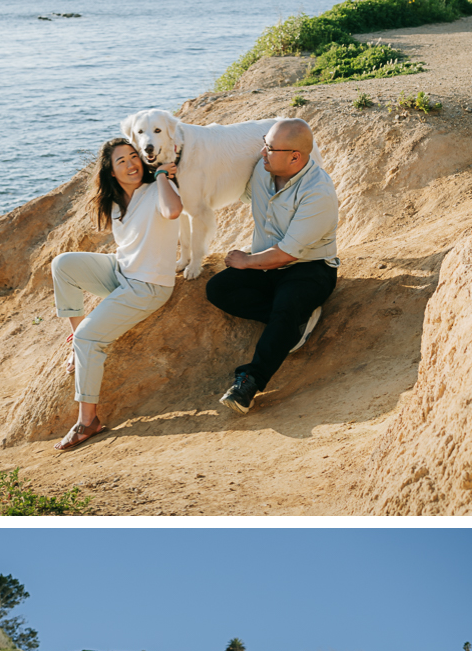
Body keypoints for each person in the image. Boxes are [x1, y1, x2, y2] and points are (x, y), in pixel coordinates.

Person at [51, 137, 182, 451]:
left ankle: (88, 421)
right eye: (121, 161)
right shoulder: (114, 203)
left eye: (134, 156)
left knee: (90, 338)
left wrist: (163, 175)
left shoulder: (157, 190)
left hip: (148, 285)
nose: (131, 164)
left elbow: (174, 211)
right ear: (111, 172)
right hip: (121, 272)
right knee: (63, 264)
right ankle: (76, 345)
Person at [206, 118, 339, 414]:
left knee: (287, 303)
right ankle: (292, 324)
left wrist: (246, 261)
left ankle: (249, 382)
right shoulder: (261, 172)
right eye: (264, 144)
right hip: (268, 266)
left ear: (295, 157)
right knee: (218, 289)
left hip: (309, 267)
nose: (262, 152)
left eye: (269, 148)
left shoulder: (318, 192)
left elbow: (288, 254)